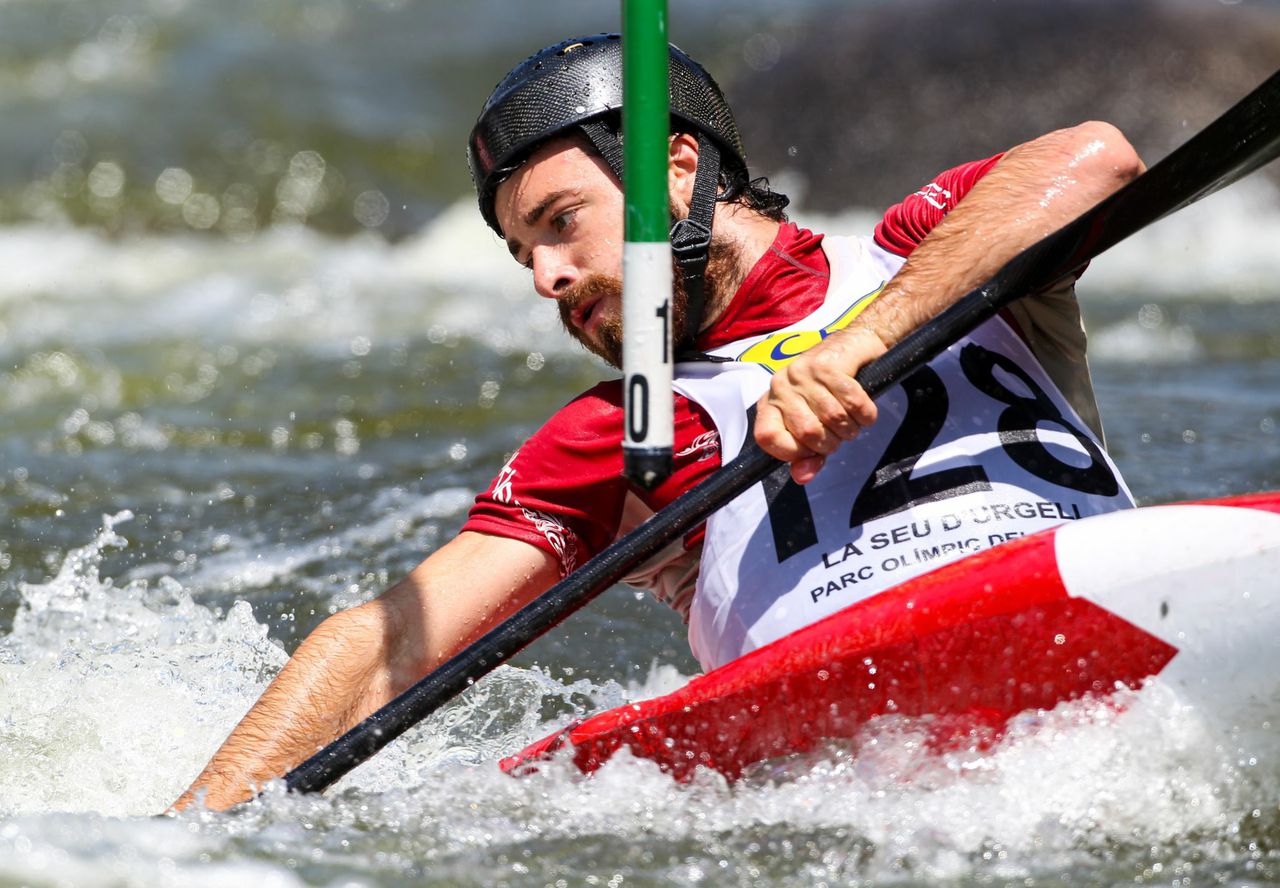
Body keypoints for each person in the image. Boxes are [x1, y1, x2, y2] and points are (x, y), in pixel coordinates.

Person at [173, 33, 1141, 811]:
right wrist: (188, 840)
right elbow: (383, 646)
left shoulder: (919, 254)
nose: (547, 277)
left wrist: (857, 345)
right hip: (860, 768)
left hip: (1107, 625)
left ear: (677, 171)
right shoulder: (622, 430)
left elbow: (1096, 159)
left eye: (559, 223)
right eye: (523, 257)